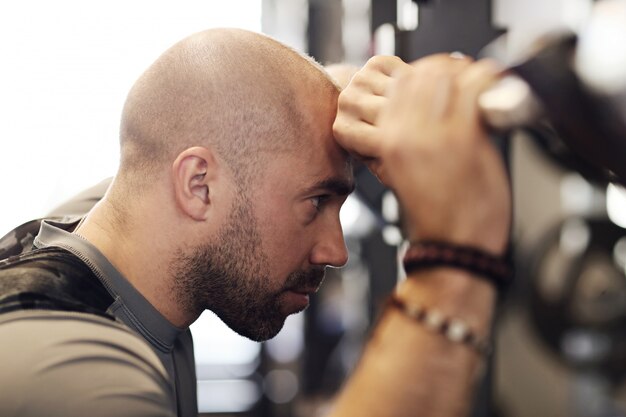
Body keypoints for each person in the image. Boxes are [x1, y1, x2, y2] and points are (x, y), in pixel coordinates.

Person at [0, 28, 510, 417]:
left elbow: (226, 115)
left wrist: (356, 94)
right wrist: (455, 257)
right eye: (315, 202)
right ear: (199, 186)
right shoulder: (76, 374)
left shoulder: (92, 229)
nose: (336, 251)